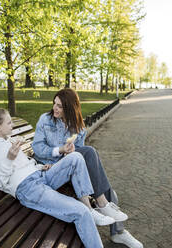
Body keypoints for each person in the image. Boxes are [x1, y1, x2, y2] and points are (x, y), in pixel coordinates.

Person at [0, 106, 126, 248]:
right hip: (28, 189)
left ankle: (92, 208)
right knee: (81, 213)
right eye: (9, 122)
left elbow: (22, 166)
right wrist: (9, 159)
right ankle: (88, 211)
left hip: (40, 175)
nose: (12, 125)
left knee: (76, 157)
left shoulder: (7, 140)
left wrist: (38, 167)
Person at [32, 88, 143, 248]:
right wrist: (60, 150)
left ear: (70, 108)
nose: (55, 108)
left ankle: (118, 233)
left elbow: (80, 158)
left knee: (111, 193)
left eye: (60, 106)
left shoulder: (78, 127)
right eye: (54, 104)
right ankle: (103, 206)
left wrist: (68, 152)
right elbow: (37, 147)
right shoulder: (46, 120)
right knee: (91, 153)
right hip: (50, 169)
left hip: (72, 168)